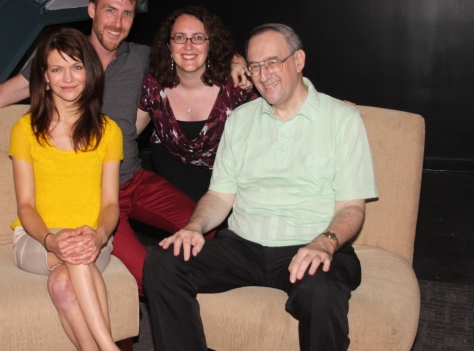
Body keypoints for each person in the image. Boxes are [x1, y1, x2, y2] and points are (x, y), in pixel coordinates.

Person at [0, 0, 248, 294]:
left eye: (127, 14)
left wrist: (235, 59)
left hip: (134, 178)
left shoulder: (140, 57)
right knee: (144, 274)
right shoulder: (60, 56)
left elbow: (189, 47)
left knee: (203, 225)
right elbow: (1, 94)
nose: (118, 23)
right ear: (91, 9)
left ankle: (188, 291)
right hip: (93, 198)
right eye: (110, 11)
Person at [143, 23, 378, 351]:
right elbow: (220, 195)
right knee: (163, 262)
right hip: (243, 247)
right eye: (255, 66)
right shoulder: (239, 119)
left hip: (310, 244)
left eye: (273, 62)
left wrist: (325, 243)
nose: (263, 74)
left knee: (320, 290)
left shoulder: (341, 119)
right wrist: (194, 227)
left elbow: (353, 206)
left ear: (298, 61)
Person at [10, 27, 121, 350]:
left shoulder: (109, 131)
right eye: (57, 69)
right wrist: (51, 239)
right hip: (37, 240)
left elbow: (111, 204)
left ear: (89, 72)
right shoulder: (24, 129)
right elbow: (26, 206)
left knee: (63, 283)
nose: (67, 77)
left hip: (92, 240)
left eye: (76, 66)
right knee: (72, 255)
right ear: (45, 76)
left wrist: (100, 235)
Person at [136, 6, 257, 202]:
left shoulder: (235, 86)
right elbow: (125, 134)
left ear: (211, 44)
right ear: (168, 44)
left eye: (199, 37)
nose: (189, 46)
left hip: (226, 186)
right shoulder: (154, 86)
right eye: (180, 37)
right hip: (172, 183)